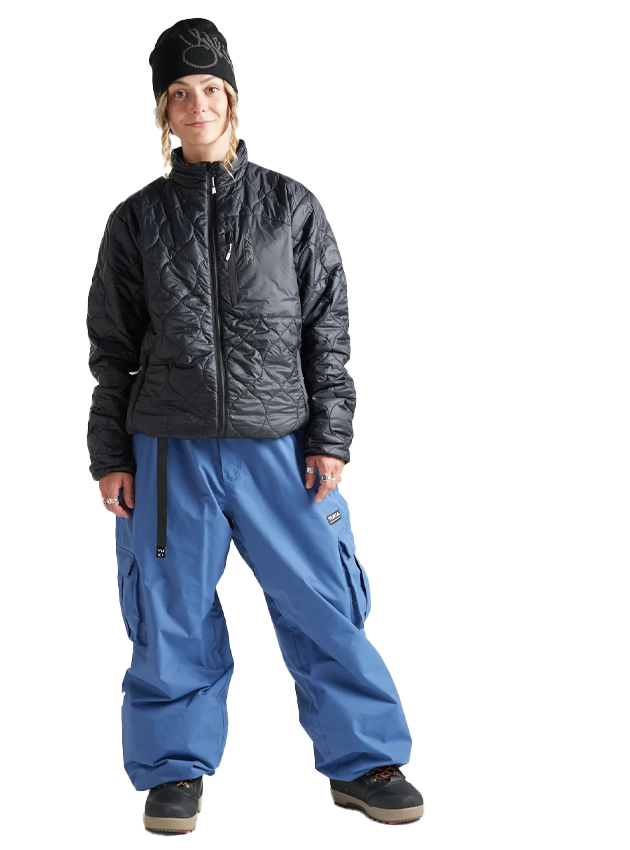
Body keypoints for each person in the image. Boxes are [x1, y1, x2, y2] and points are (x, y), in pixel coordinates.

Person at [86, 18, 424, 834]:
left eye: (210, 89)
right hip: (167, 449)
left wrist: (331, 437)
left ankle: (365, 760)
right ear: (163, 112)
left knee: (324, 600)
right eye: (178, 93)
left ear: (232, 99)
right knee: (170, 611)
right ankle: (175, 769)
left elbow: (328, 332)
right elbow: (112, 349)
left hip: (280, 445)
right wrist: (110, 455)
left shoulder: (289, 207)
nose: (196, 105)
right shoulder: (136, 221)